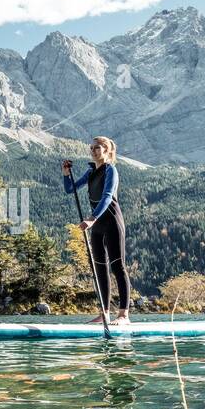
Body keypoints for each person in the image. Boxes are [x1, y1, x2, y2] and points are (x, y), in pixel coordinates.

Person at [62, 136, 131, 324]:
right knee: (100, 268)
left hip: (111, 221)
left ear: (107, 150)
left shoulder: (111, 170)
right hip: (97, 225)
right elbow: (71, 190)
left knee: (118, 266)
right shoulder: (90, 171)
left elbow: (108, 196)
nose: (94, 150)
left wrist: (91, 219)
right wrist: (66, 174)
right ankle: (105, 313)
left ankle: (123, 315)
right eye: (92, 147)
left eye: (98, 147)